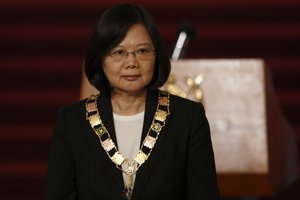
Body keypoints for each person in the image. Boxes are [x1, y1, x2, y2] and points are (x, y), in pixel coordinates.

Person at [46, 3, 220, 200]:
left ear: (157, 55)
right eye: (119, 52)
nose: (131, 63)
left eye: (142, 51)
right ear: (100, 58)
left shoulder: (188, 117)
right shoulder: (72, 122)